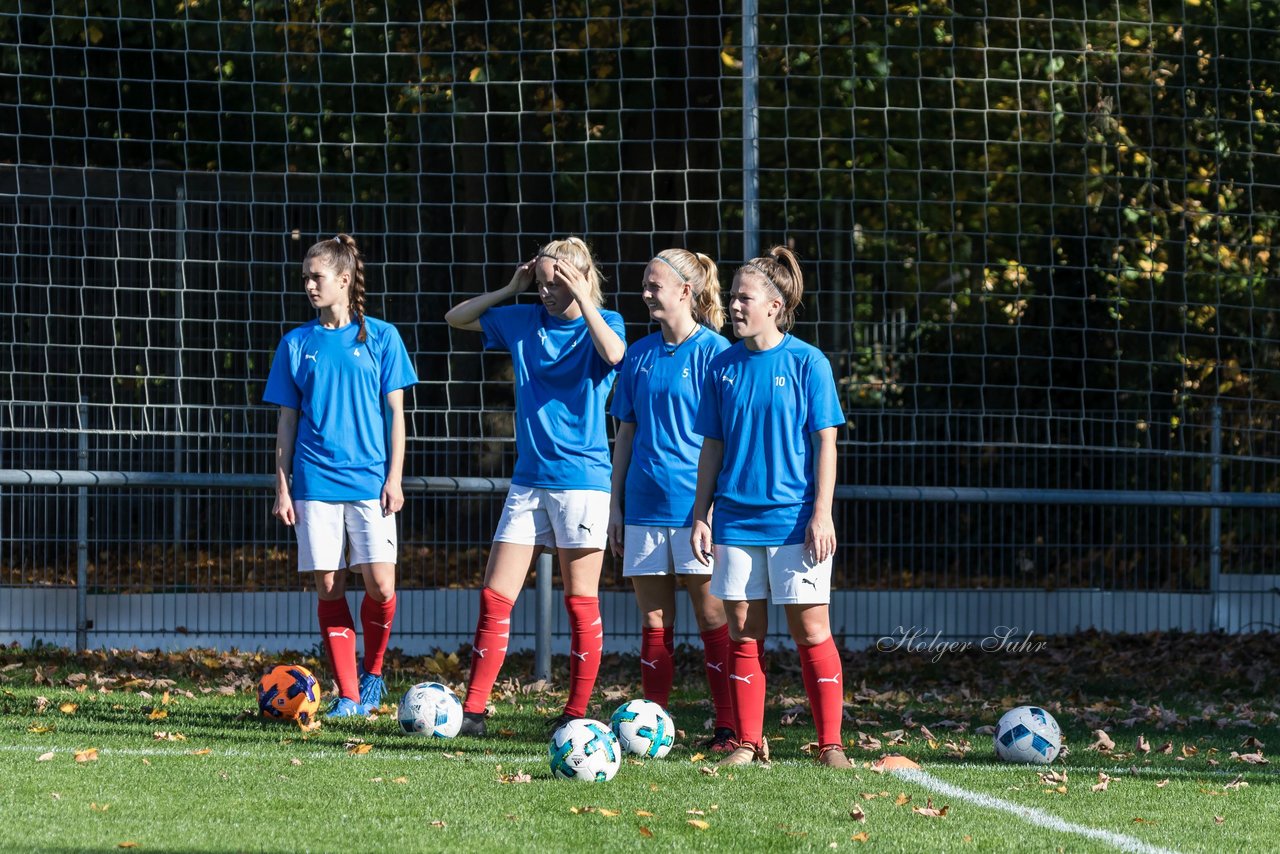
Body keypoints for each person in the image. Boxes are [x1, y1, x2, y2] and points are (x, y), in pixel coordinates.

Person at [444, 237, 626, 735]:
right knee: (495, 595)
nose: (545, 292)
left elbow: (615, 356)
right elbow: (456, 318)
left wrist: (583, 296)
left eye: (555, 283)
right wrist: (511, 287)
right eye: (541, 283)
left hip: (582, 484)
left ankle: (576, 713)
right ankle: (474, 710)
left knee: (580, 601)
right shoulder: (523, 320)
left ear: (582, 279)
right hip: (528, 481)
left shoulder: (604, 324)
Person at [690, 245, 850, 768]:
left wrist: (821, 513)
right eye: (733, 298)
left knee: (811, 631)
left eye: (744, 298)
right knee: (743, 630)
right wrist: (701, 512)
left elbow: (826, 442)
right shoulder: (723, 366)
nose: (734, 306)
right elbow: (712, 445)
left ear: (775, 306)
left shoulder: (809, 362)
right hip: (736, 521)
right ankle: (748, 741)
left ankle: (831, 745)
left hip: (795, 522)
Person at [265, 234, 418, 718]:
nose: (309, 285)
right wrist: (283, 486)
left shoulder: (382, 337)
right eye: (306, 277)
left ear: (345, 280)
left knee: (382, 588)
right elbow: (287, 421)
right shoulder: (296, 344)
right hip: (315, 484)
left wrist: (395, 477)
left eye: (318, 276)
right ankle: (348, 695)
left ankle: (373, 673)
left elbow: (396, 414)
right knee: (329, 586)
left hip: (370, 482)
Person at [607, 249, 736, 752]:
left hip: (695, 513)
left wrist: (709, 509)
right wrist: (615, 506)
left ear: (686, 291)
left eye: (653, 285)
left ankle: (728, 727)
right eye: (644, 283)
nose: (644, 293)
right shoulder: (637, 355)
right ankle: (653, 728)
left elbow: (725, 439)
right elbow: (625, 433)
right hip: (642, 508)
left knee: (712, 618)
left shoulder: (716, 354)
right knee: (655, 622)